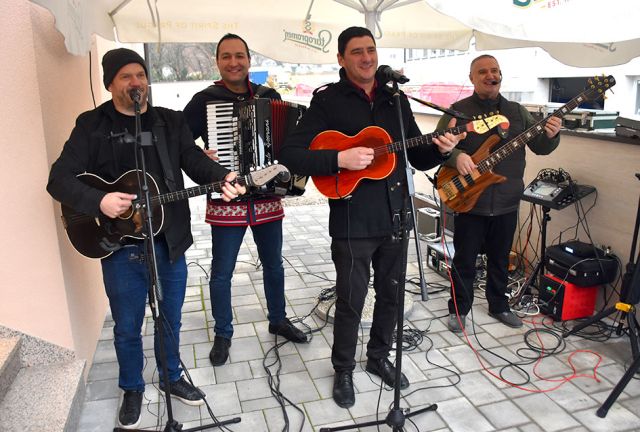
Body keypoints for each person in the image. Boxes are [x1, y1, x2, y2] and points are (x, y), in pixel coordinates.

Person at [47, 48, 247, 429]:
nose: (136, 82)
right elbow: (58, 179)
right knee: (127, 325)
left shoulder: (169, 121)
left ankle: (170, 376)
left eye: (141, 75)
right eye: (126, 76)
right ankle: (132, 387)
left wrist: (221, 176)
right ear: (110, 84)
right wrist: (100, 201)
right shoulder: (91, 125)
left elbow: (193, 159)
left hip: (168, 240)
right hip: (118, 244)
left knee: (170, 317)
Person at [279, 26, 463, 408]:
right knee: (351, 299)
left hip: (396, 215)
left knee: (392, 295)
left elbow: (417, 156)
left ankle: (378, 357)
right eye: (357, 51)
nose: (366, 57)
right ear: (341, 58)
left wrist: (442, 150)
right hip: (353, 219)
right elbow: (292, 154)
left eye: (371, 49)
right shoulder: (327, 101)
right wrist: (339, 158)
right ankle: (343, 369)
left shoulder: (396, 99)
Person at [183, 33, 307, 368]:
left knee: (274, 264)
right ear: (217, 62)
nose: (234, 62)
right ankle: (223, 333)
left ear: (249, 60)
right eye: (226, 56)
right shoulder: (204, 101)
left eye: (239, 56)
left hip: (267, 199)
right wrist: (201, 155)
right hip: (227, 199)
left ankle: (278, 320)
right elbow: (180, 143)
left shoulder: (270, 96)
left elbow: (289, 143)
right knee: (221, 271)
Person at [436, 54, 561, 333]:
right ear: (471, 78)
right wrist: (456, 156)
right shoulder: (458, 111)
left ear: (500, 75)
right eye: (482, 71)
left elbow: (540, 146)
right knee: (464, 260)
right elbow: (438, 145)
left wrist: (552, 136)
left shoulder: (517, 112)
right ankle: (459, 309)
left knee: (501, 259)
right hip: (469, 199)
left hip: (506, 200)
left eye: (494, 70)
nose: (490, 75)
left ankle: (499, 305)